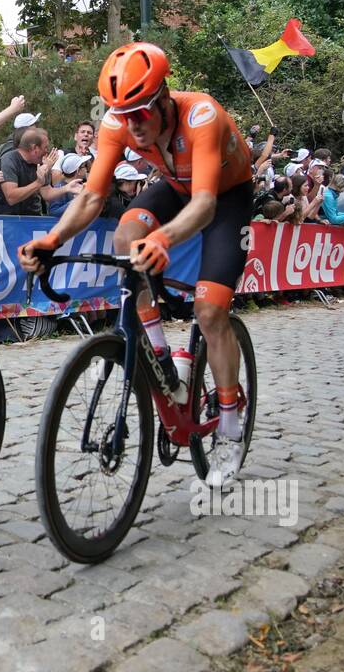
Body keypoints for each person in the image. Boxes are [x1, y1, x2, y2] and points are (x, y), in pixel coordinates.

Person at [19, 42, 253, 488]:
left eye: (142, 112)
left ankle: (229, 420)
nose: (134, 126)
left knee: (209, 311)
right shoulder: (118, 123)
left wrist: (163, 238)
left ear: (165, 97)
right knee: (127, 237)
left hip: (224, 197)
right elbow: (91, 196)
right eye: (124, 115)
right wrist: (51, 239)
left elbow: (204, 204)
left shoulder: (201, 114)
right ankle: (160, 355)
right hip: (174, 187)